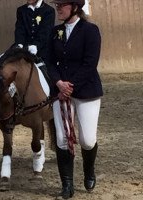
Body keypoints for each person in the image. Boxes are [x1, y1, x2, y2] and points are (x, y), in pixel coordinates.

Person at [46, 0, 103, 199]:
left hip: (86, 90)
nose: (58, 8)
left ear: (75, 8)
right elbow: (50, 62)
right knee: (62, 139)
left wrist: (70, 86)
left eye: (62, 5)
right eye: (57, 5)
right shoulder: (55, 32)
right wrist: (58, 83)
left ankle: (89, 170)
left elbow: (90, 63)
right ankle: (67, 184)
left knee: (87, 140)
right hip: (60, 92)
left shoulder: (90, 30)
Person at [0, 0, 55, 66]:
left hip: (41, 48)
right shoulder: (21, 10)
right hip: (24, 47)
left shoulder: (49, 10)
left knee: (44, 69)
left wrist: (36, 45)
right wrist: (19, 44)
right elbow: (20, 29)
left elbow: (45, 32)